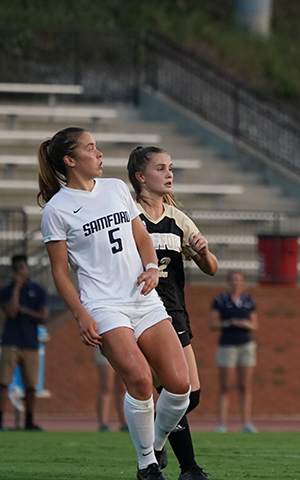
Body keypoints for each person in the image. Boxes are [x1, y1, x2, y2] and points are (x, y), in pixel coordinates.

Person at [38, 127, 191, 480]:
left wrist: (152, 267)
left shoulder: (116, 188)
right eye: (91, 148)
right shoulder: (57, 209)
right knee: (138, 379)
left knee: (179, 385)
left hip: (142, 298)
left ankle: (153, 442)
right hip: (103, 305)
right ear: (70, 160)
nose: (99, 153)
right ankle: (147, 466)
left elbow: (140, 236)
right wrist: (81, 315)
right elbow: (60, 272)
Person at [128, 145, 218, 480]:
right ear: (140, 177)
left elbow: (211, 268)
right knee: (171, 390)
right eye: (161, 168)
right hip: (143, 311)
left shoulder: (177, 218)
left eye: (171, 168)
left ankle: (155, 438)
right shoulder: (128, 214)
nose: (169, 174)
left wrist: (204, 252)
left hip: (175, 311)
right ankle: (188, 468)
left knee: (189, 394)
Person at [0, 254, 48, 431]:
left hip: (30, 343)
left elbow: (43, 317)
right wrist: (16, 290)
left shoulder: (38, 290)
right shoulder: (6, 291)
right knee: (3, 382)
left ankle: (29, 420)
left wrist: (25, 310)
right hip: (10, 342)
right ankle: (1, 420)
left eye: (22, 268)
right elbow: (11, 313)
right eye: (17, 269)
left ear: (26, 268)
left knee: (31, 385)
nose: (20, 272)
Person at [209, 270, 259, 433]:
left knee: (245, 385)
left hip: (245, 344)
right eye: (233, 280)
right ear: (228, 282)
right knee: (225, 386)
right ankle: (222, 423)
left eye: (239, 280)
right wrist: (229, 322)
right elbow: (212, 323)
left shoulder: (248, 300)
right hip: (227, 345)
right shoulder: (220, 300)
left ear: (243, 282)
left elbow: (254, 324)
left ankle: (246, 422)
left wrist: (245, 323)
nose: (236, 283)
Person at [94, 347, 128, 432]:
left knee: (123, 389)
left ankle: (124, 423)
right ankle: (103, 424)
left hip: (123, 349)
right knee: (106, 387)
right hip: (105, 347)